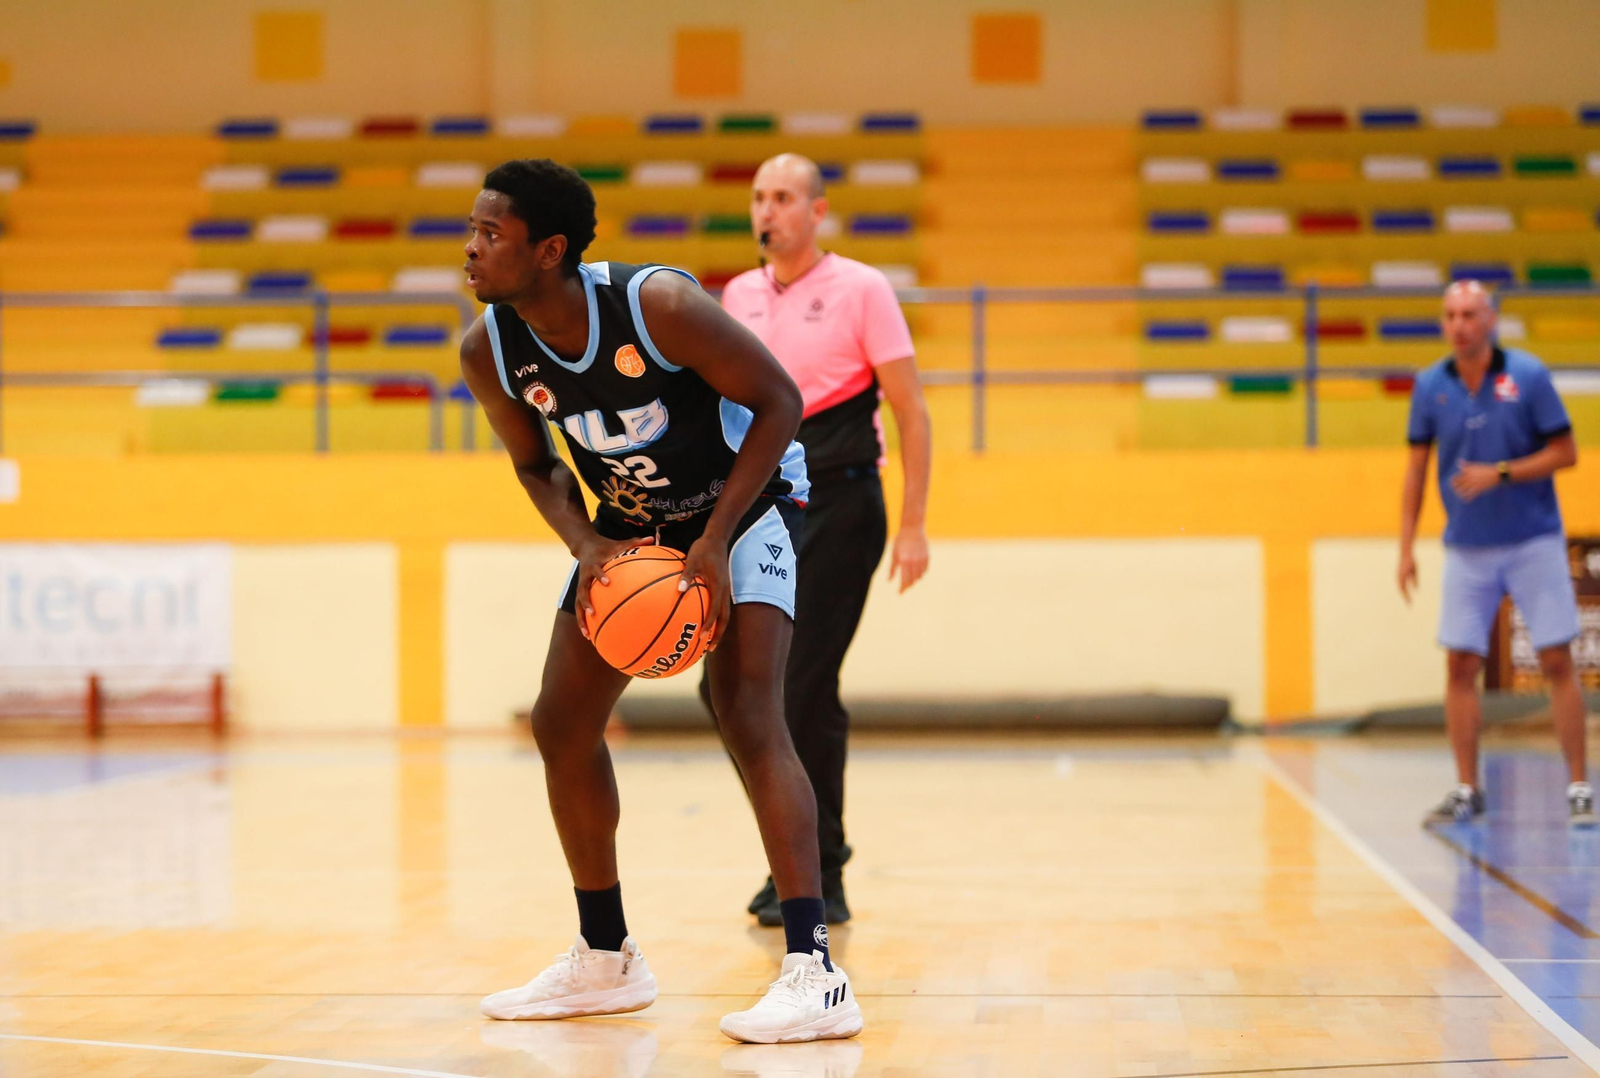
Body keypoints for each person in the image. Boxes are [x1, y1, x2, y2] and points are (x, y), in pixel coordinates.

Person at [459, 158, 863, 1043]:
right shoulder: (488, 347)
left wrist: (714, 541)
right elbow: (534, 463)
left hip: (744, 503)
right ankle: (606, 958)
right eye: (473, 230)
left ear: (550, 250)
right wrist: (587, 546)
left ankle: (814, 971)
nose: (472, 248)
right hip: (631, 523)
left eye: (492, 233)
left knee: (747, 709)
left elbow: (780, 402)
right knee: (560, 721)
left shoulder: (658, 306)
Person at [704, 153, 932, 927]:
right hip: (764, 504)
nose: (767, 211)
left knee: (800, 682)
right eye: (758, 197)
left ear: (817, 211)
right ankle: (791, 856)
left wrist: (913, 523)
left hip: (841, 499)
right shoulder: (738, 295)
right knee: (722, 688)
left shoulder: (862, 288)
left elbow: (911, 410)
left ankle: (820, 872)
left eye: (782, 197)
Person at [1399, 279, 1593, 828]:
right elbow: (1416, 470)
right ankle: (1468, 788)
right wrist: (1406, 546)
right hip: (1468, 547)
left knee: (1556, 659)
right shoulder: (1430, 386)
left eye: (1469, 314)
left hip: (1533, 540)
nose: (1459, 325)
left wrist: (1502, 473)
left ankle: (1579, 784)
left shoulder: (1527, 376)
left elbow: (1566, 452)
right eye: (1450, 315)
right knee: (1460, 663)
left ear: (1490, 319)